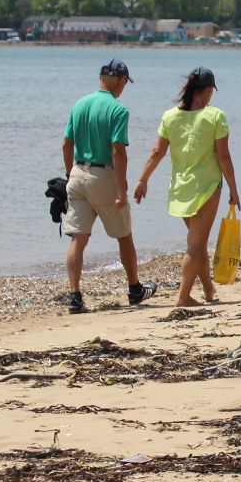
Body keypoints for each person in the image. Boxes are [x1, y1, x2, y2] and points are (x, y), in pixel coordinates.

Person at [134, 67, 240, 307]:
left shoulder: (170, 116)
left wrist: (142, 180)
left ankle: (209, 290)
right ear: (209, 89)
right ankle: (183, 297)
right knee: (195, 244)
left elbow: (156, 152)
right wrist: (234, 189)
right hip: (207, 187)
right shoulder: (215, 116)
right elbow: (224, 157)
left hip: (180, 190)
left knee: (198, 241)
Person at [62, 59, 157, 313]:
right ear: (119, 79)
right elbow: (117, 150)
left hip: (77, 173)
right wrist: (122, 189)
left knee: (77, 239)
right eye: (126, 81)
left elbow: (66, 143)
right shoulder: (118, 110)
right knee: (124, 235)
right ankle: (135, 289)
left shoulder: (79, 104)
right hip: (103, 177)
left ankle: (74, 296)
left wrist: (69, 173)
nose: (125, 86)